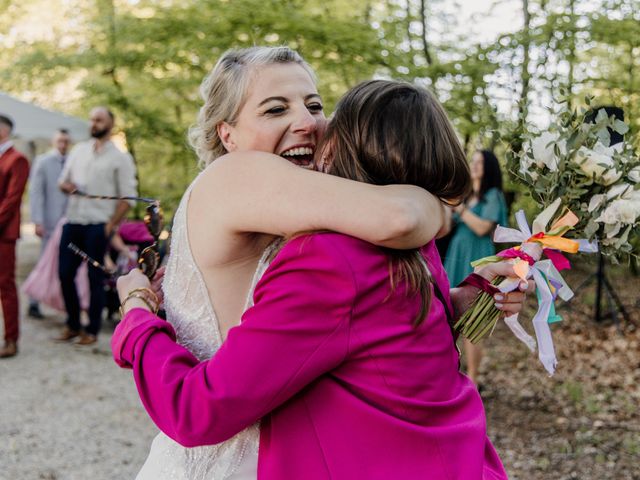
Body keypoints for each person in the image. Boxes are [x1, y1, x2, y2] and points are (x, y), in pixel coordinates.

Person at [113, 78, 530, 479]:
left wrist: (135, 314)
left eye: (316, 107)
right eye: (276, 108)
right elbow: (389, 336)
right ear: (227, 134)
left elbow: (196, 409)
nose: (310, 123)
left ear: (344, 148)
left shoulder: (334, 256)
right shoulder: (407, 241)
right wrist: (464, 293)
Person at [57, 107, 138, 345]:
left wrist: (110, 226)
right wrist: (67, 187)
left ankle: (91, 330)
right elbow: (62, 181)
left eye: (99, 119)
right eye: (92, 119)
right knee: (64, 274)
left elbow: (128, 198)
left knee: (95, 278)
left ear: (110, 124)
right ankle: (72, 324)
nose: (94, 123)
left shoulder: (120, 158)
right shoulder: (78, 151)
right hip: (73, 221)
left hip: (98, 226)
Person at [443, 149, 509, 387]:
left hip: (477, 257)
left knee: (472, 321)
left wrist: (459, 209)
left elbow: (482, 228)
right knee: (449, 315)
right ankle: (451, 373)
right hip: (456, 255)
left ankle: (473, 378)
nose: (475, 165)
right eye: (473, 161)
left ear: (489, 167)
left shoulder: (492, 196)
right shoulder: (467, 195)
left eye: (480, 162)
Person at [27, 128, 72, 319]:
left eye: (66, 141)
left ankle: (64, 303)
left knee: (67, 266)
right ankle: (33, 302)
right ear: (54, 141)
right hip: (49, 221)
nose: (63, 144)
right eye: (60, 140)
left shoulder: (73, 161)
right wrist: (37, 220)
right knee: (43, 263)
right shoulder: (43, 162)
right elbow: (36, 192)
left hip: (69, 222)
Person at [0, 114, 30, 358]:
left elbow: (12, 199)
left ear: (4, 130)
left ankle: (11, 339)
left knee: (6, 285)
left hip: (4, 233)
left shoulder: (17, 159)